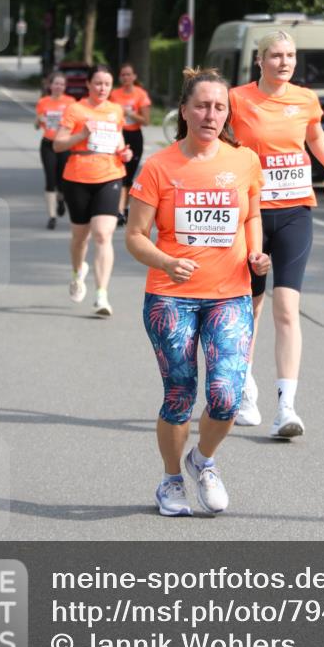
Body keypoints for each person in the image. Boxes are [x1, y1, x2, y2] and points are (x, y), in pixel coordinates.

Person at [126, 67, 270, 517]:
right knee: (180, 393)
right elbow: (134, 235)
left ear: (228, 113)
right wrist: (167, 261)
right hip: (171, 296)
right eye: (203, 106)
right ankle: (171, 480)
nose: (211, 114)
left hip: (230, 294)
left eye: (220, 107)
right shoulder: (159, 167)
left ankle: (203, 460)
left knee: (227, 395)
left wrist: (258, 254)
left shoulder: (243, 160)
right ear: (185, 111)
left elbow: (251, 215)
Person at [229, 29, 324, 439]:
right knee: (252, 308)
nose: (285, 62)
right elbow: (220, 143)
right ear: (259, 61)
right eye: (276, 55)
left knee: (287, 309)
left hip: (296, 211)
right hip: (253, 216)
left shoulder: (305, 99)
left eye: (291, 55)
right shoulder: (237, 99)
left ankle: (286, 407)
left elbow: (314, 135)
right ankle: (245, 389)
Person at [53, 64, 133, 316]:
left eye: (107, 84)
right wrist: (80, 136)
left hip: (110, 175)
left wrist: (125, 152)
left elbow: (119, 140)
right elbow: (57, 144)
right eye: (97, 83)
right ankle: (78, 273)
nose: (102, 88)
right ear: (88, 84)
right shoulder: (75, 109)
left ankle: (101, 296)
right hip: (77, 177)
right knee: (80, 237)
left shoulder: (115, 110)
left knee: (102, 235)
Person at [109, 63, 152, 225]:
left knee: (128, 176)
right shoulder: (114, 94)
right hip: (118, 135)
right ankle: (119, 210)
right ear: (120, 78)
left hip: (134, 136)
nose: (126, 78)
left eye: (129, 75)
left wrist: (129, 113)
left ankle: (124, 208)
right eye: (123, 75)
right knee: (119, 174)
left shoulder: (141, 95)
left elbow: (146, 121)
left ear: (134, 77)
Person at [35, 72, 74, 229]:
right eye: (56, 84)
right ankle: (52, 217)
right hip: (48, 144)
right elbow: (36, 125)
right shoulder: (43, 102)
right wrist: (39, 120)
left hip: (64, 144)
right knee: (50, 180)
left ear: (65, 87)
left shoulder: (70, 103)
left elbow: (75, 123)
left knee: (63, 181)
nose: (58, 87)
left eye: (62, 84)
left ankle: (61, 199)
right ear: (50, 86)